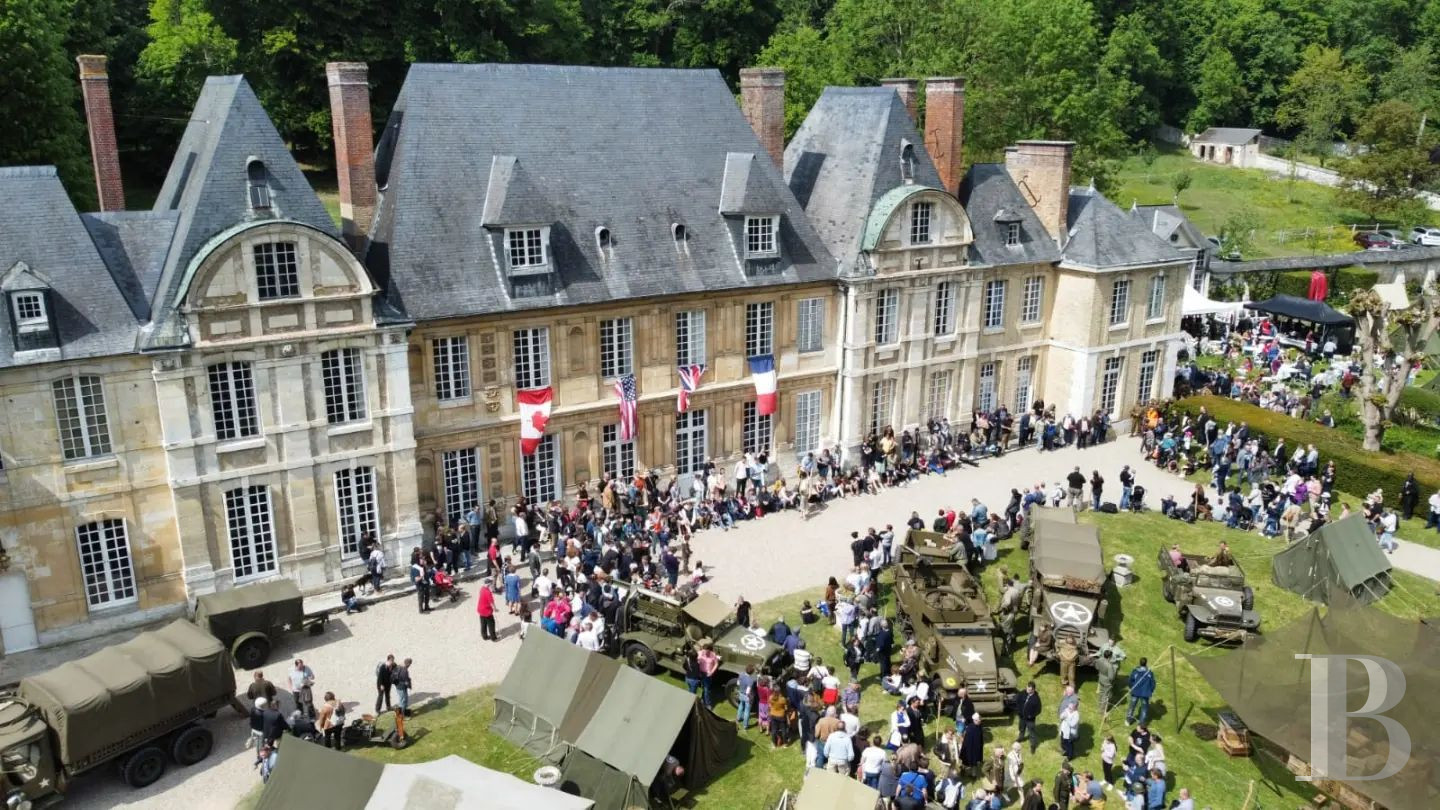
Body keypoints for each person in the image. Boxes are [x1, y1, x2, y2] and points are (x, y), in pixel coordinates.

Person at [1126, 659, 1155, 725]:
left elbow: (1130, 680)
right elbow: (1153, 683)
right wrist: (1151, 690)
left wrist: (1132, 688)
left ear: (1140, 663)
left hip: (1136, 692)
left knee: (1132, 706)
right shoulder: (1149, 673)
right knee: (1144, 708)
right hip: (1145, 693)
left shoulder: (1135, 671)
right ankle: (1141, 723)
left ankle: (1128, 720)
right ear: (1146, 663)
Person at [1016, 681, 1042, 753]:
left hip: (1030, 719)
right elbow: (1017, 701)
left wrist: (1031, 715)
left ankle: (1033, 746)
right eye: (1027, 688)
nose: (1027, 690)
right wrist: (1018, 711)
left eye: (1029, 689)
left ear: (1033, 690)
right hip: (1022, 717)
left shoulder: (1036, 698)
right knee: (1021, 728)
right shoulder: (1022, 693)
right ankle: (1021, 737)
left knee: (1031, 732)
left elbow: (1038, 710)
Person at [1095, 647, 1117, 718]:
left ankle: (1099, 705)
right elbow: (1111, 677)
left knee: (1101, 693)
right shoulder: (1109, 666)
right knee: (1106, 695)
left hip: (1101, 678)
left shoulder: (1099, 660)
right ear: (1109, 657)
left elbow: (1097, 667)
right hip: (1107, 682)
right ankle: (1102, 710)